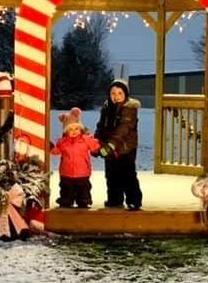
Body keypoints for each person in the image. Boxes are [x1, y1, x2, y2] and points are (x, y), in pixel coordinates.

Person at [94, 79, 143, 210]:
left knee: (128, 176)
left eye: (120, 93)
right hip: (109, 149)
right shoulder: (106, 108)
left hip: (125, 149)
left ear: (125, 95)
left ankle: (134, 200)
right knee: (111, 176)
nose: (116, 96)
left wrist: (110, 145)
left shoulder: (129, 109)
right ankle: (114, 200)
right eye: (113, 93)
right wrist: (95, 143)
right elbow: (101, 127)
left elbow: (123, 129)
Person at [50, 107, 100, 208]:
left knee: (83, 188)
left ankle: (84, 200)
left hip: (83, 172)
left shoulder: (85, 140)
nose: (74, 131)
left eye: (76, 128)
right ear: (66, 131)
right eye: (70, 129)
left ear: (80, 129)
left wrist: (94, 140)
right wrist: (50, 146)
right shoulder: (63, 142)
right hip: (66, 173)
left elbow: (95, 146)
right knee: (66, 188)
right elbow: (56, 151)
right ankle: (66, 200)